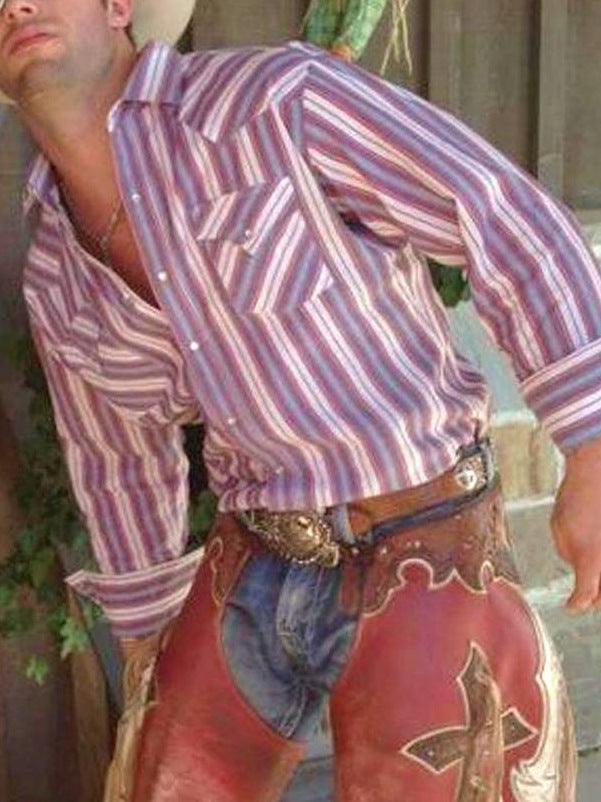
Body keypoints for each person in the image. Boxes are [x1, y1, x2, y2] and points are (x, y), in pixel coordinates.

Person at [1, 0, 599, 799]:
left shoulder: (279, 98)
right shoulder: (55, 270)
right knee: (158, 782)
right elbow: (115, 454)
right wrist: (146, 634)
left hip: (423, 524)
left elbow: (496, 209)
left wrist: (590, 440)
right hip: (255, 547)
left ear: (118, 6)